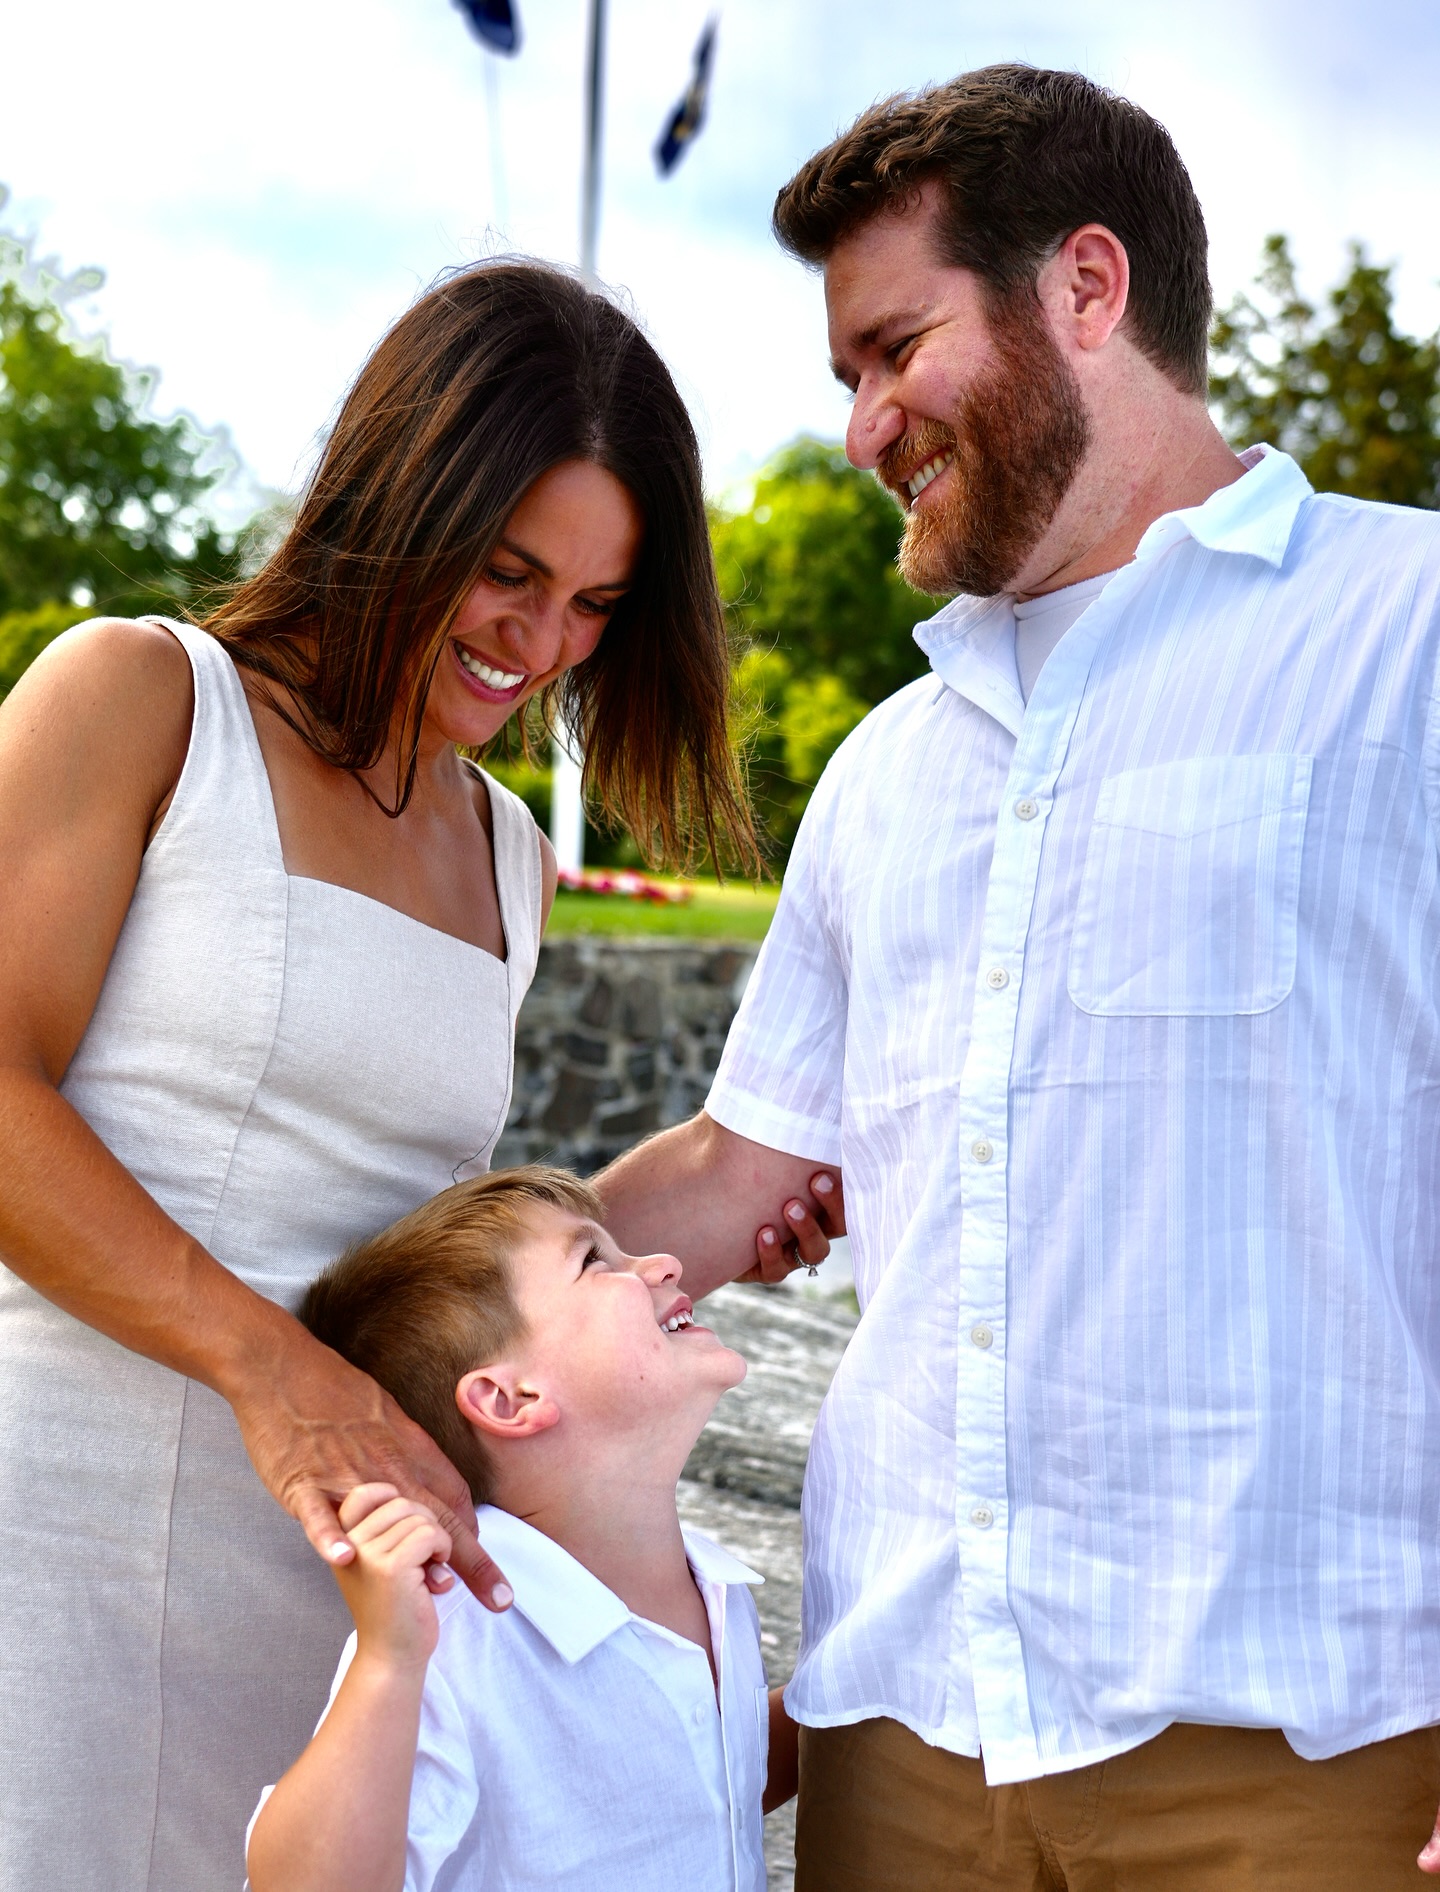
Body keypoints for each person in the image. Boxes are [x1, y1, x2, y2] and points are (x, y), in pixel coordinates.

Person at [597, 65, 1440, 1890]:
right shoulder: (888, 764)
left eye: (895, 350)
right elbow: (741, 1173)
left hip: (1309, 1759)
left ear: (1084, 288)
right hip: (899, 1741)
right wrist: (360, 1334)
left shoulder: (1411, 631)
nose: (862, 425)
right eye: (844, 377)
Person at [0, 258, 821, 1891]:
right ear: (394, 496)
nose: (543, 642)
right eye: (507, 572)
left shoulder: (508, 854)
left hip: (348, 1594)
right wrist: (272, 1373)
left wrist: (736, 1195)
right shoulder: (145, 699)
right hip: (55, 1530)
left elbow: (427, 1241)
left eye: (595, 604)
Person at [245, 1165, 795, 1892]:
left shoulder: (717, 1590)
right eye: (597, 1260)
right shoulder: (455, 1629)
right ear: (509, 1398)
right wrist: (388, 1663)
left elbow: (706, 1797)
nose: (664, 1263)